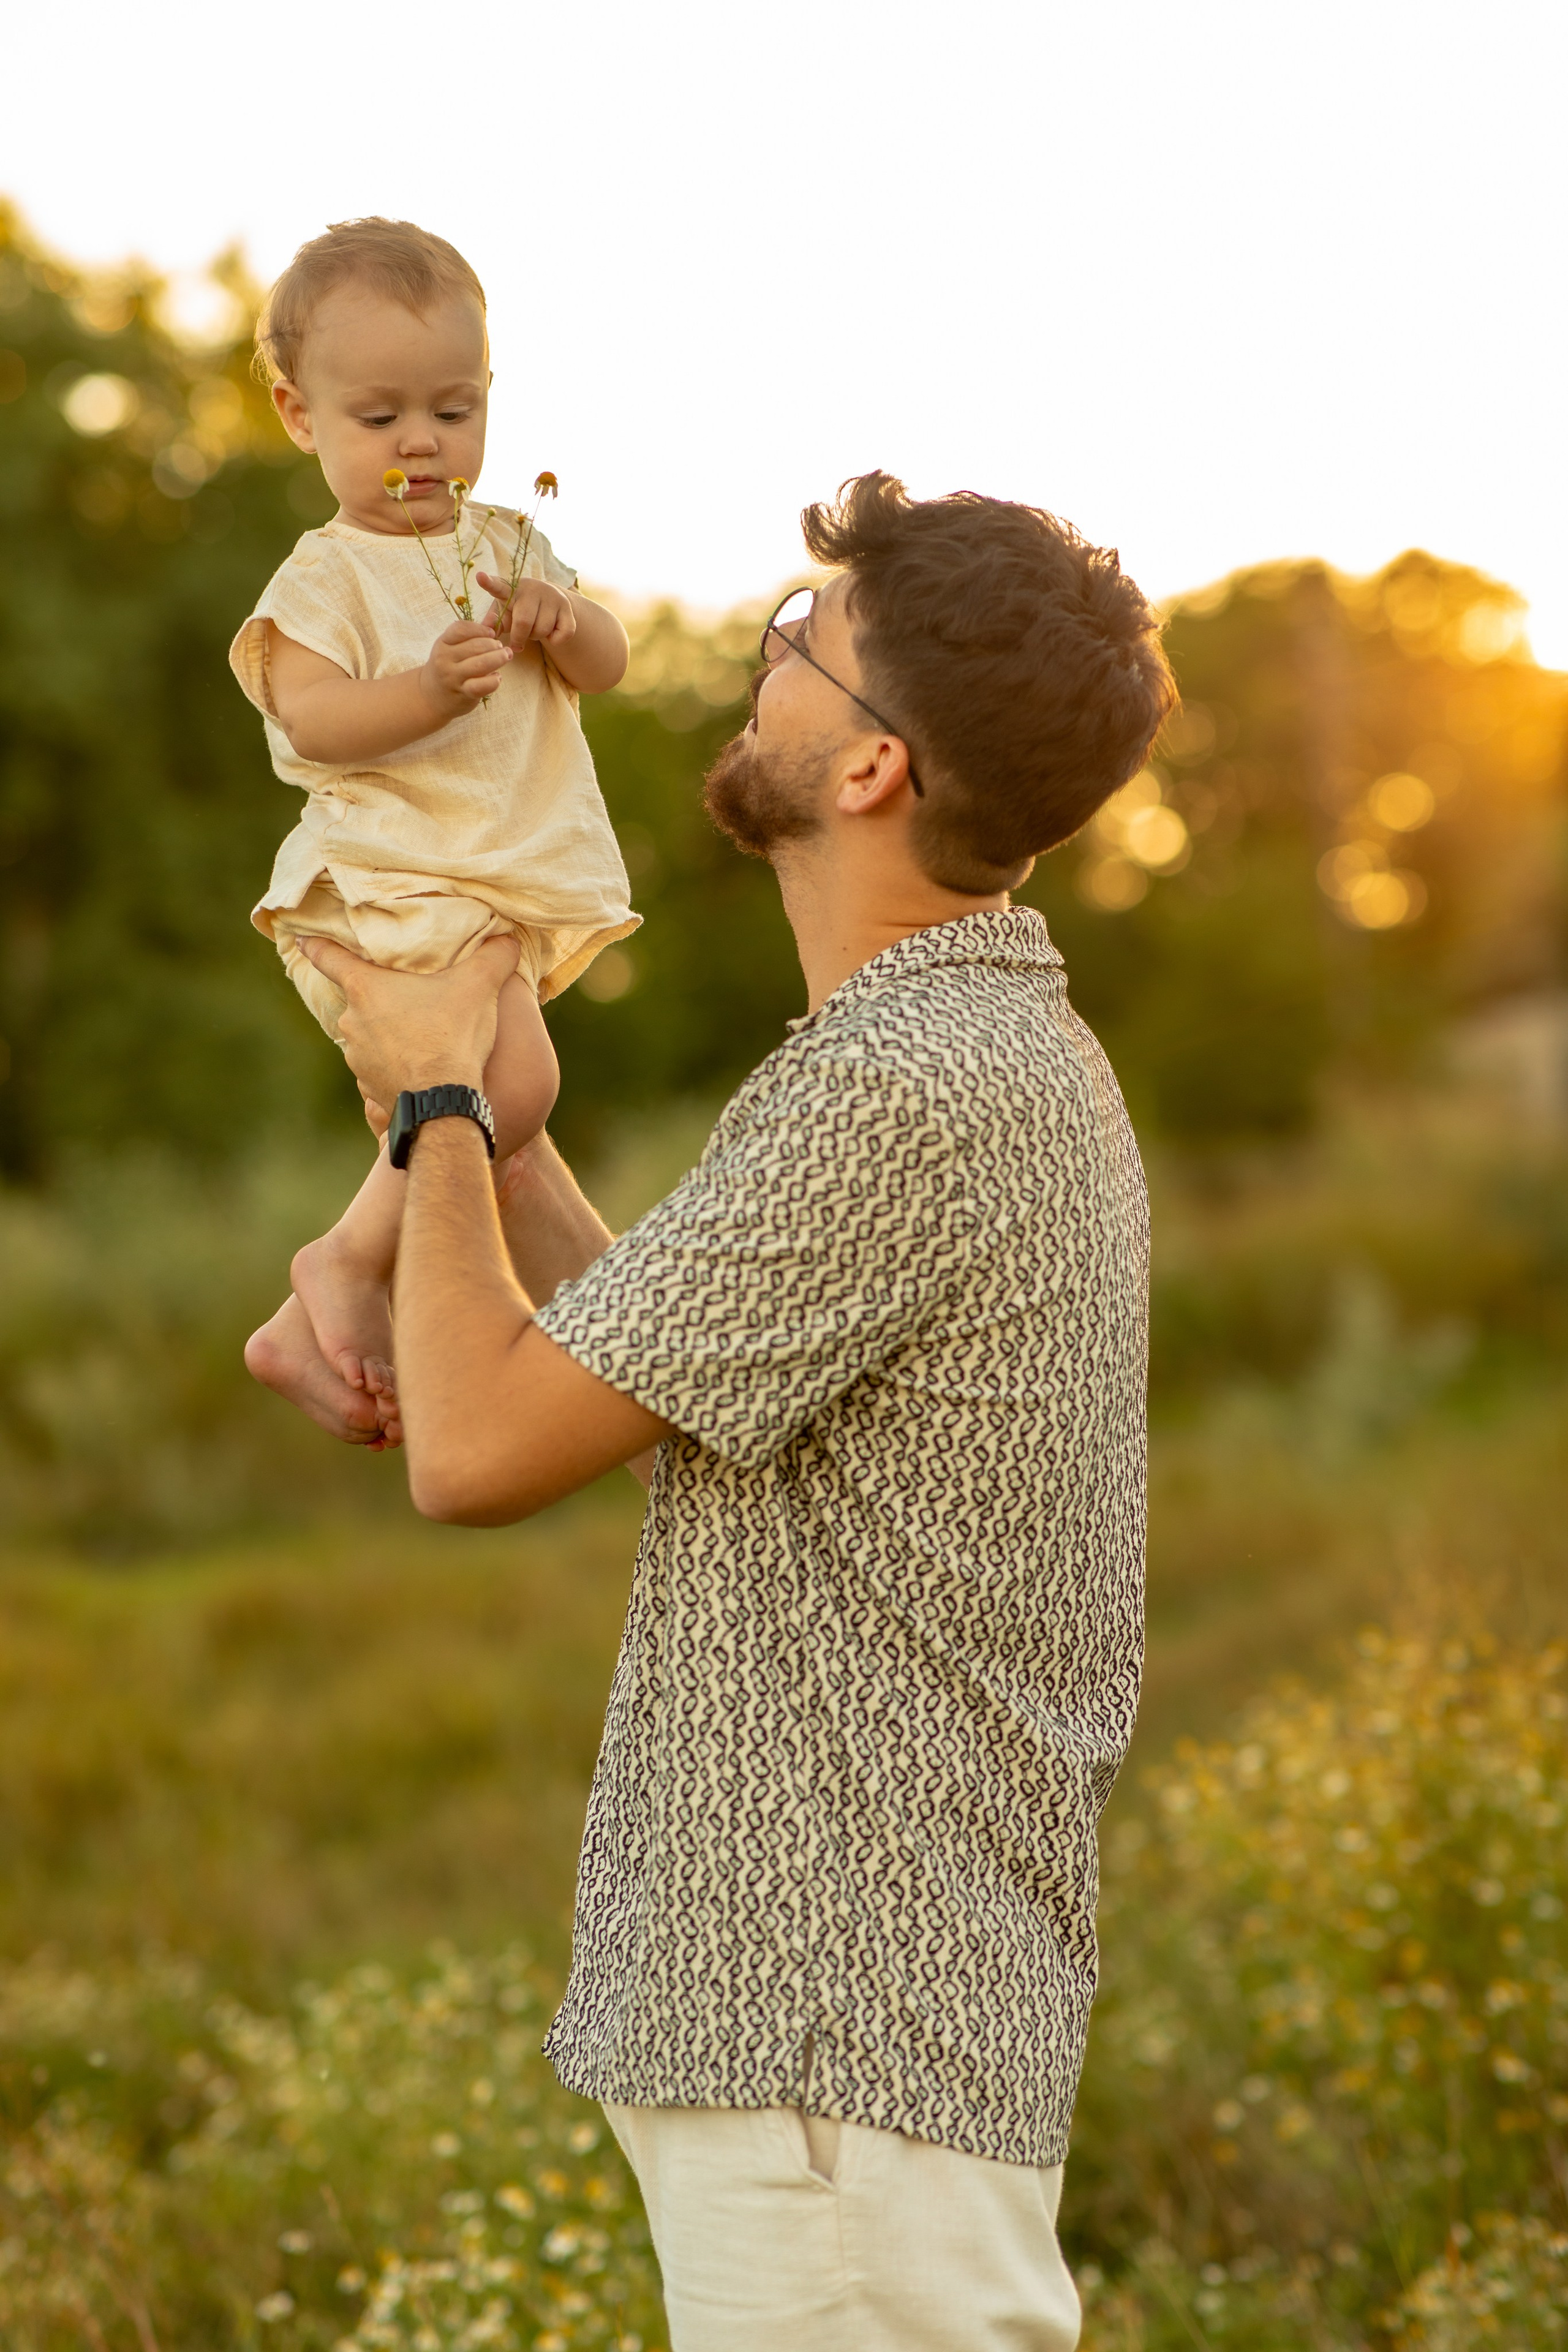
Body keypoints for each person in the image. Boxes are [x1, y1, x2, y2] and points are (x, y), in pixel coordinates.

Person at [249, 471, 1176, 2351]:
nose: (764, 665)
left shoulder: (903, 1089)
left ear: (873, 768)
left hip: (836, 2052)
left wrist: (436, 1110)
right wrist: (503, 1146)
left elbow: (474, 1453)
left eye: (799, 647)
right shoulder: (973, 1050)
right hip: (846, 2054)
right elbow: (683, 1391)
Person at [233, 217, 636, 1419]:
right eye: (379, 417)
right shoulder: (323, 578)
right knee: (517, 1092)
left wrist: (566, 625)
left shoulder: (508, 546)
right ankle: (348, 1263)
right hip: (389, 881)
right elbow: (313, 718)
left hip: (488, 880)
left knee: (498, 1104)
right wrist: (424, 690)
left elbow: (608, 664)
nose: (421, 441)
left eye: (454, 411)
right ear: (300, 416)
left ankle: (329, 1294)